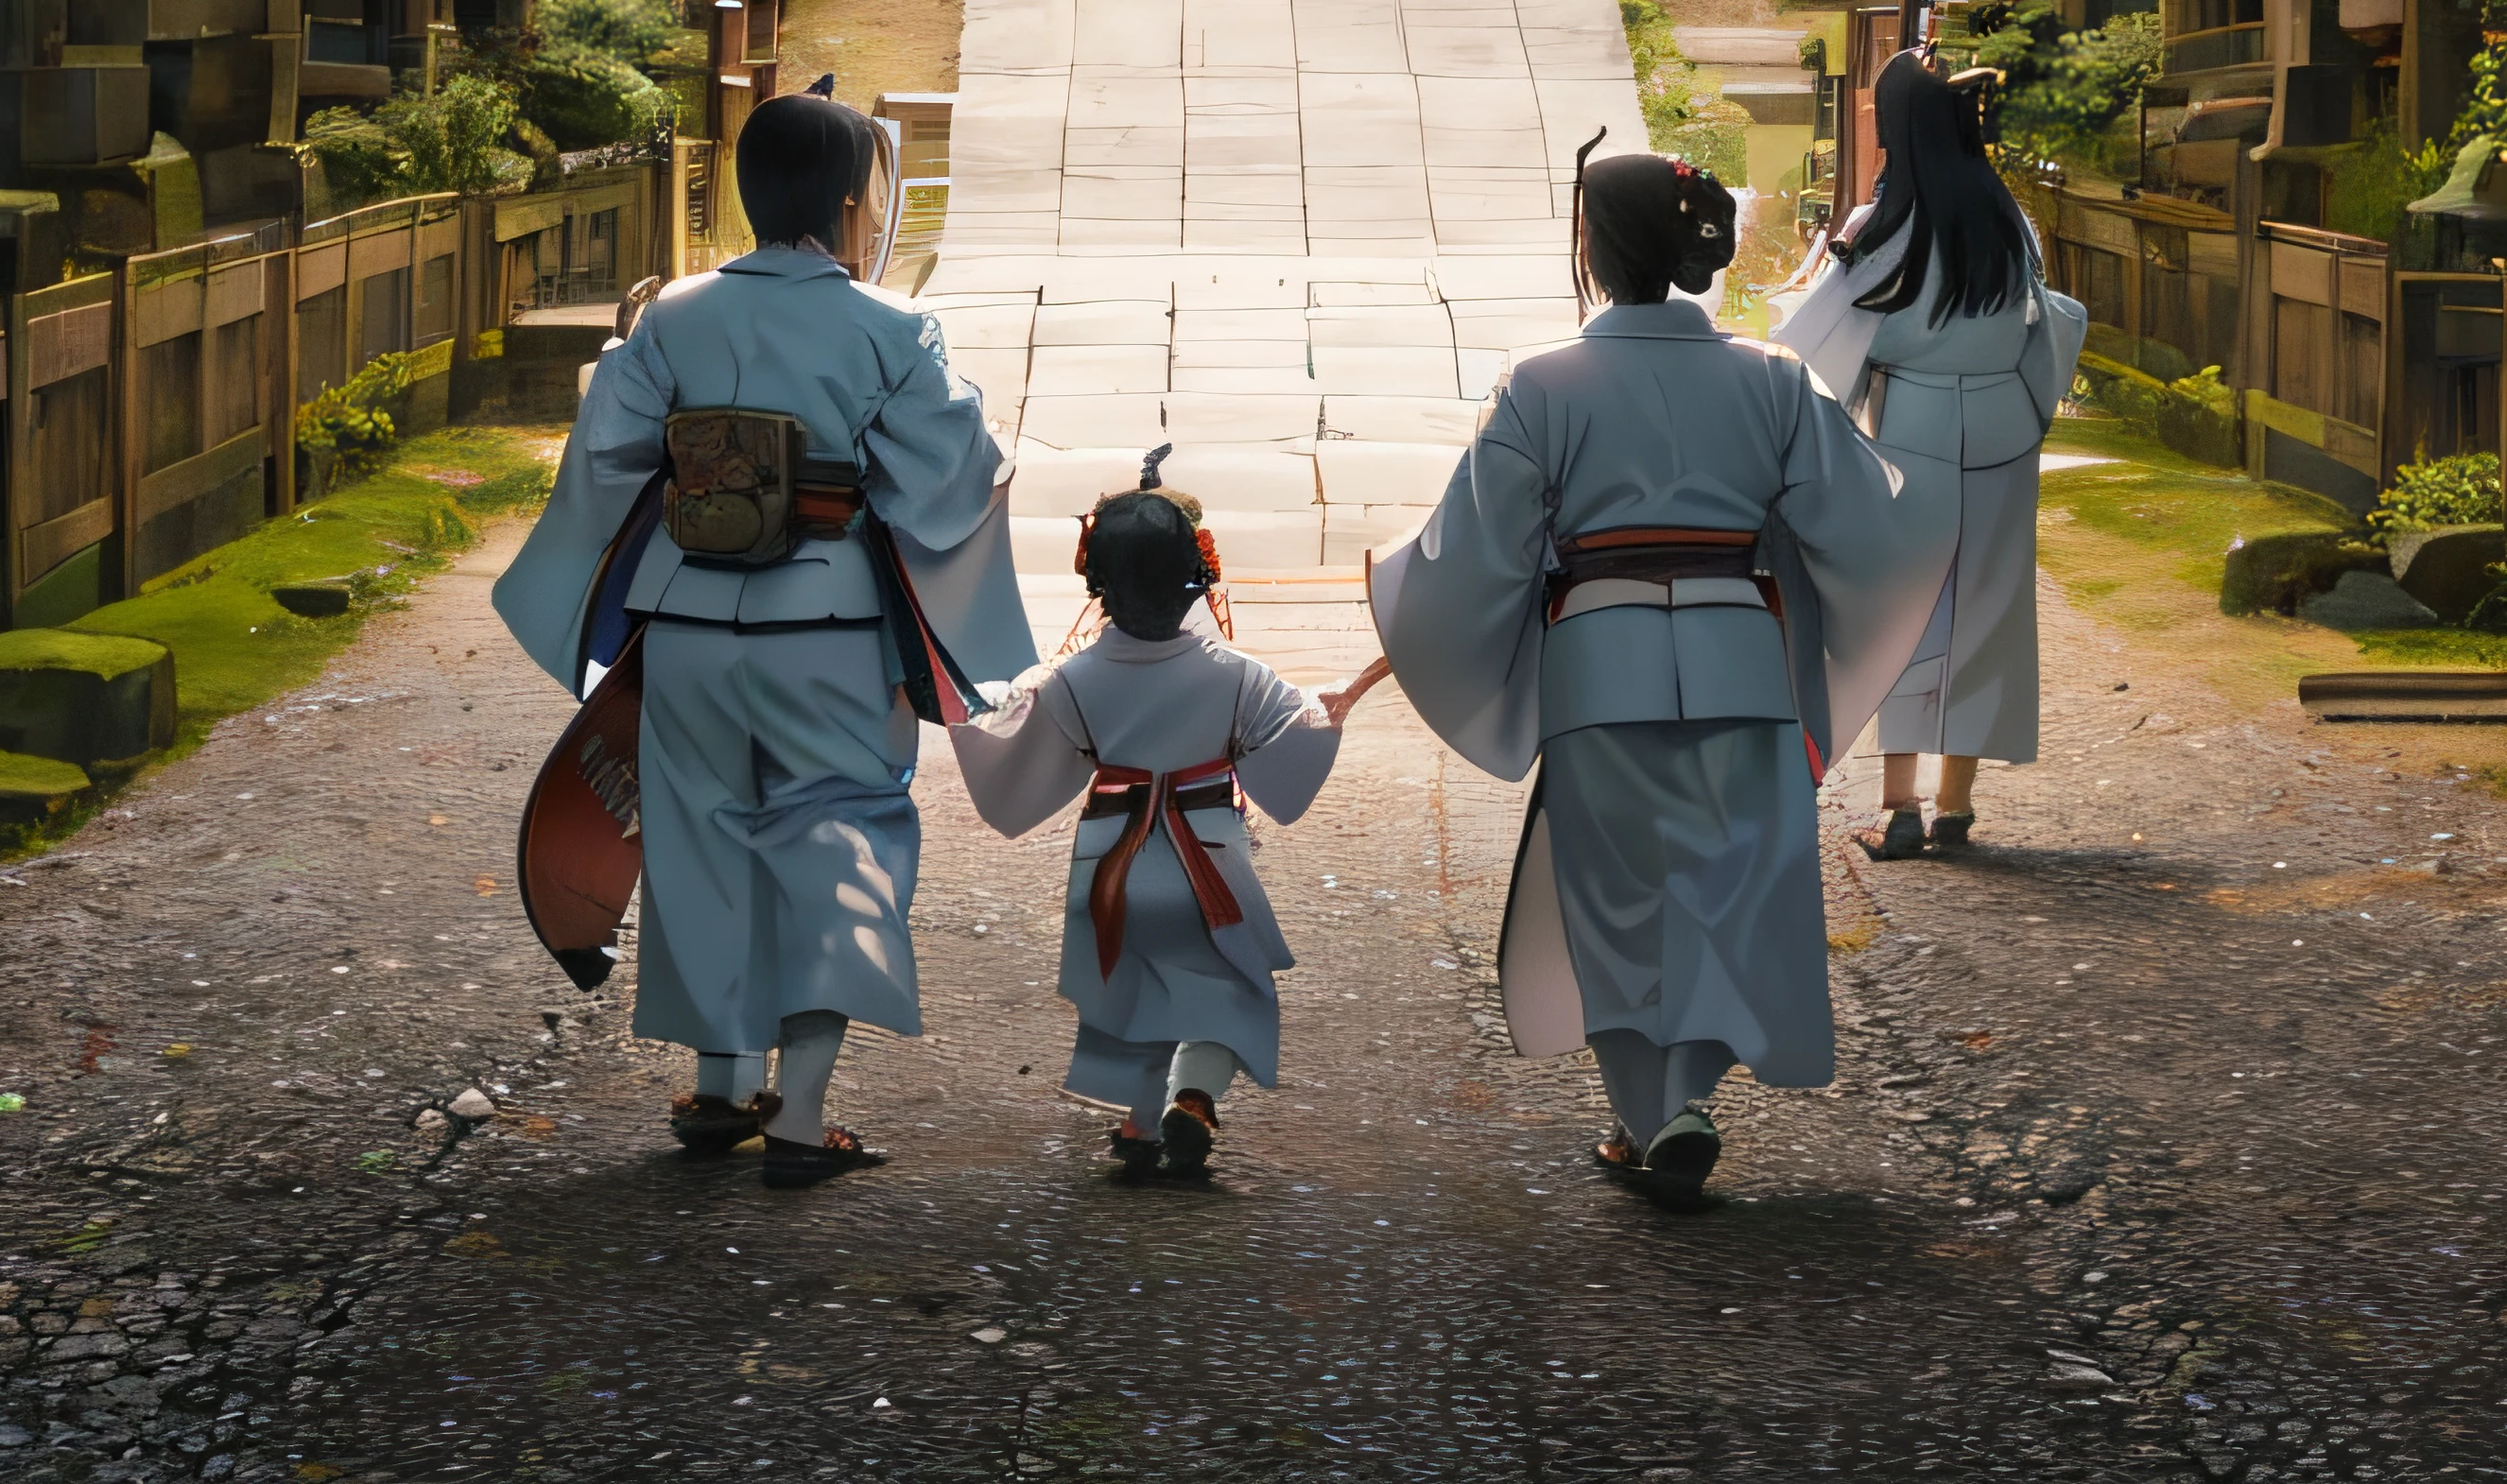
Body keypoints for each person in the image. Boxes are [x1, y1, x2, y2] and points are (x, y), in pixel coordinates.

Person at [1371, 149, 1952, 1204]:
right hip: (1743, 657)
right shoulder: (1773, 377)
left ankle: (1655, 1115)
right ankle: (1682, 1097)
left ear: (1594, 248)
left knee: (1614, 901)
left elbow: (1482, 546)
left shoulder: (1541, 383)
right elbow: (1864, 523)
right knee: (1739, 893)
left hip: (1601, 660)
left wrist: (1402, 584)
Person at [492, 92, 1033, 1187]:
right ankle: (805, 1111)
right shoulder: (890, 327)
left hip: (686, 618)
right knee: (843, 843)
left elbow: (607, 457)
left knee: (699, 846)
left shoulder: (673, 316)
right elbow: (954, 472)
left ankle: (719, 1085)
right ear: (848, 202)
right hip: (826, 627)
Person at [949, 478, 1371, 1181]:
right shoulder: (1238, 676)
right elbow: (1289, 750)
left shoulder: (1073, 680)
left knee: (1129, 988)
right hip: (1208, 849)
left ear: (1100, 588)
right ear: (1197, 582)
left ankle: (1140, 1120)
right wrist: (1331, 711)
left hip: (1110, 856)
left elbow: (1024, 757)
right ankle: (1196, 1100)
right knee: (1226, 988)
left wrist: (971, 716)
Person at [1772, 52, 2087, 859]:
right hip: (2002, 431)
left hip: (1911, 425)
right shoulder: (2006, 216)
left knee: (1904, 611)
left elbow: (1817, 337)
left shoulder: (1888, 224)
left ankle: (1898, 805)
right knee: (1988, 610)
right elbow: (2047, 318)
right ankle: (1956, 807)